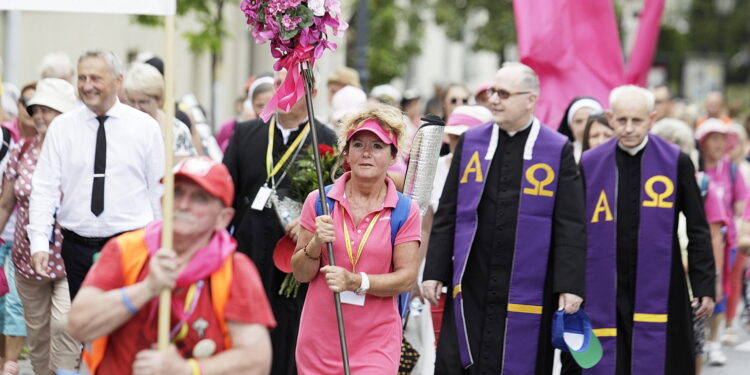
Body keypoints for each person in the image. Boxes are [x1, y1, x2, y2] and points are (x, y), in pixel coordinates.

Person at [423, 62, 586, 374]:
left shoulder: (556, 148)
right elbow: (448, 211)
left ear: (530, 99)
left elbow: (570, 223)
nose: (494, 99)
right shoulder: (472, 142)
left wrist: (570, 284)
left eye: (504, 93)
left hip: (529, 283)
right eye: (493, 91)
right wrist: (435, 270)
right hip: (473, 279)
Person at [69, 156, 275, 375]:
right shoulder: (125, 249)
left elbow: (256, 361)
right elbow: (78, 325)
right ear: (162, 202)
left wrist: (188, 370)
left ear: (223, 218)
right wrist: (146, 289)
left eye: (200, 198)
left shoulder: (235, 269)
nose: (184, 205)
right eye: (176, 193)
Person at [570, 85, 715, 375]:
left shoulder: (676, 162)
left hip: (663, 282)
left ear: (652, 118)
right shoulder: (591, 163)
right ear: (610, 118)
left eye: (637, 121)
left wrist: (704, 286)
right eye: (621, 120)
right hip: (606, 283)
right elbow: (575, 229)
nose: (628, 128)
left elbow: (698, 227)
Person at [222, 69, 337, 375]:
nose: (283, 92)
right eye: (279, 85)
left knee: (288, 343)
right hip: (248, 255)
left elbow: (337, 207)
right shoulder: (246, 133)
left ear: (312, 95)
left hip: (296, 266)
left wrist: (310, 226)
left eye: (293, 87)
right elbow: (225, 196)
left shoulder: (327, 141)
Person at [292, 104, 422, 373]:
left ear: (393, 155)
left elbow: (407, 278)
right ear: (346, 154)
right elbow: (301, 274)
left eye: (377, 146)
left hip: (377, 343)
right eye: (358, 144)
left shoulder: (405, 210)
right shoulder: (319, 201)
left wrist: (356, 281)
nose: (366, 153)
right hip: (320, 342)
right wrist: (315, 244)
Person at [28, 50, 165, 300]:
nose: (87, 86)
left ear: (118, 81)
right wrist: (38, 242)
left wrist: (161, 243)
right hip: (76, 246)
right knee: (85, 328)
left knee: (124, 325)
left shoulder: (145, 127)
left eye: (96, 78)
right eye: (82, 78)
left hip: (129, 243)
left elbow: (158, 190)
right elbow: (45, 187)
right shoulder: (62, 127)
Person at [0, 78, 82, 375]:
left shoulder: (79, 153)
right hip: (27, 258)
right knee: (37, 335)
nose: (39, 116)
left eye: (48, 109)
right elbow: (6, 204)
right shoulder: (21, 151)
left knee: (64, 324)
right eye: (36, 109)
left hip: (68, 255)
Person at [652, 118, 726, 374]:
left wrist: (708, 280)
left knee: (688, 346)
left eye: (674, 146)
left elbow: (709, 234)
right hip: (653, 274)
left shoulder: (702, 184)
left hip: (683, 278)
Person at [695, 118, 746, 358]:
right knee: (699, 289)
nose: (718, 143)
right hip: (696, 239)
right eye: (713, 137)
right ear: (703, 141)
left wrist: (735, 226)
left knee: (721, 288)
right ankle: (699, 338)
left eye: (722, 138)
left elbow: (741, 204)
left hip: (727, 241)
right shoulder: (692, 167)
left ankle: (714, 341)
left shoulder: (732, 169)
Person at [123, 63, 196, 161]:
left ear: (159, 100)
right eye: (131, 101)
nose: (137, 108)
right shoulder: (119, 127)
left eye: (143, 102)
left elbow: (182, 171)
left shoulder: (176, 131)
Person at [558, 97, 603, 162]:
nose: (584, 127)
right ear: (570, 126)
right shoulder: (562, 156)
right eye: (578, 121)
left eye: (590, 119)